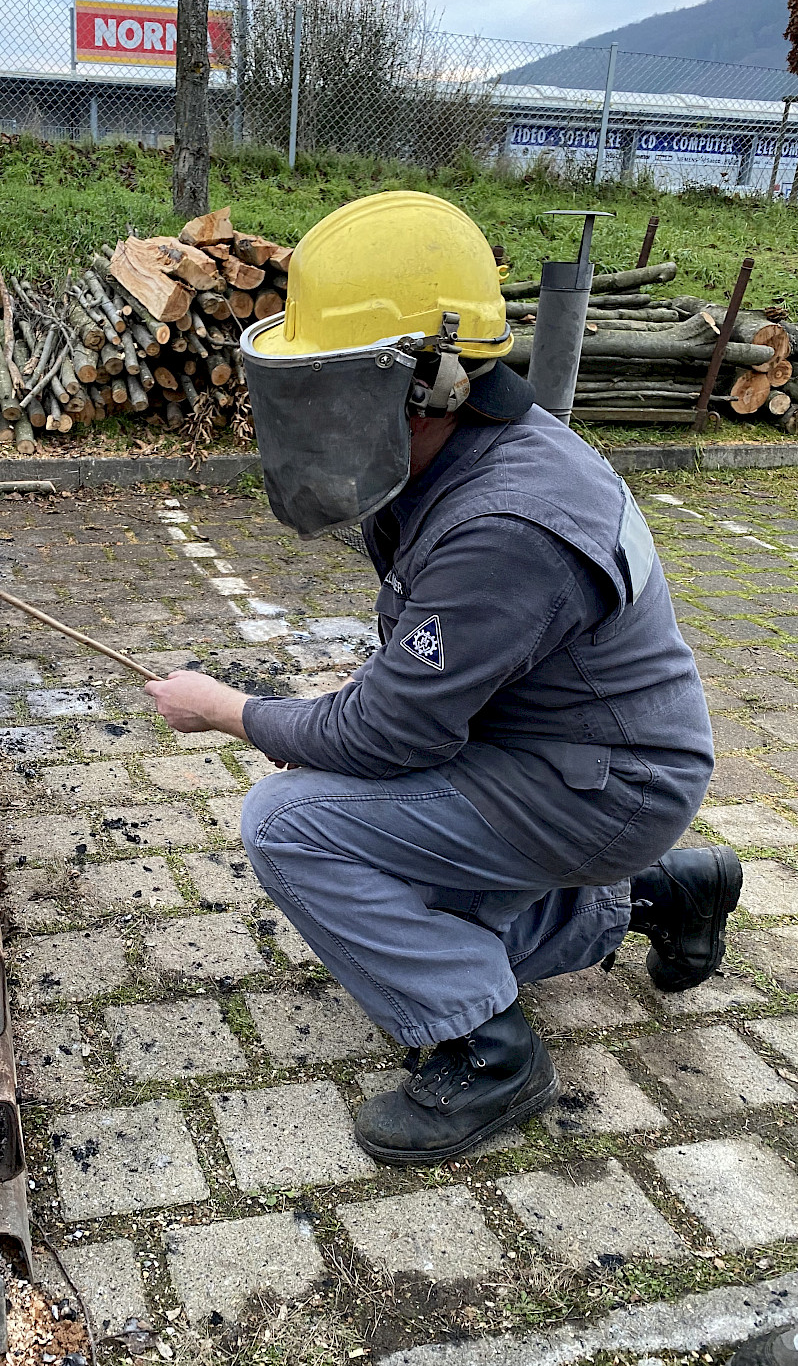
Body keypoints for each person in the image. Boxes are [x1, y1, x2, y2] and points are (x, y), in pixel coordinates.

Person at [146, 190, 742, 1166]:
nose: (320, 419)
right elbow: (419, 688)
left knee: (290, 826)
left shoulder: (504, 524)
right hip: (572, 757)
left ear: (430, 383)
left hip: (604, 787)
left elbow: (388, 735)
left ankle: (489, 1054)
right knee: (423, 904)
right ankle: (658, 896)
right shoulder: (465, 460)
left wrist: (228, 710)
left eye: (336, 388)